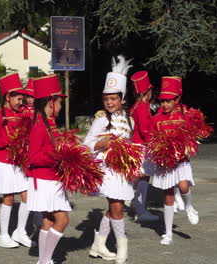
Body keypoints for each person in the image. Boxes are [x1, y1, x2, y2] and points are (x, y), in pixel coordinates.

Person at [84, 56, 133, 263]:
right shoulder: (101, 119)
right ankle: (122, 246)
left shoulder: (128, 119)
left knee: (115, 207)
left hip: (122, 170)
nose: (109, 103)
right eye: (106, 99)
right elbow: (86, 144)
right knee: (117, 207)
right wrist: (99, 145)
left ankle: (98, 244)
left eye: (113, 99)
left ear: (122, 99)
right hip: (107, 169)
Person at [27, 74, 70, 264]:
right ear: (51, 102)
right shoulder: (39, 125)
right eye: (59, 102)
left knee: (47, 221)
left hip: (50, 178)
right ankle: (44, 261)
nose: (61, 107)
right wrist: (57, 156)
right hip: (45, 179)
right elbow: (33, 157)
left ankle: (43, 261)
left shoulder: (48, 123)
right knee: (63, 220)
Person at [151, 76, 199, 246]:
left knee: (184, 185)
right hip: (165, 163)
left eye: (168, 101)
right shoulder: (156, 119)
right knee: (168, 197)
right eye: (162, 101)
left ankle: (189, 207)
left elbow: (193, 134)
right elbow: (152, 139)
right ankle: (168, 233)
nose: (164, 104)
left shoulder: (184, 115)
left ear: (177, 99)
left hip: (181, 161)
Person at [0, 73, 34, 248]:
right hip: (4, 162)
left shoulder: (22, 114)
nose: (21, 102)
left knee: (27, 196)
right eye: (18, 99)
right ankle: (4, 235)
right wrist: (5, 142)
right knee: (8, 198)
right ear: (8, 97)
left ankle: (20, 232)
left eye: (22, 99)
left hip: (19, 162)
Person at [129, 71, 159, 222]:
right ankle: (140, 210)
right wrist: (156, 144)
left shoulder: (135, 106)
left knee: (140, 177)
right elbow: (145, 129)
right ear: (148, 91)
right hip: (142, 146)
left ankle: (136, 204)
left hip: (136, 145)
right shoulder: (143, 106)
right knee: (143, 177)